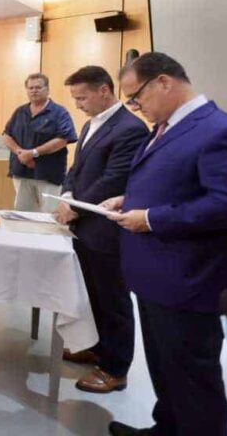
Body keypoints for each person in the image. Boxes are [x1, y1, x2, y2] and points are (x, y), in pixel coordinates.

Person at [102, 53, 227, 436]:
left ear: (163, 81)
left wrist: (150, 218)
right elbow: (173, 184)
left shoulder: (218, 130)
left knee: (194, 381)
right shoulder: (165, 127)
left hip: (188, 280)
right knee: (166, 370)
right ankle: (166, 428)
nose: (135, 107)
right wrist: (128, 201)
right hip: (156, 277)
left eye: (136, 97)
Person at [50, 66, 149, 394]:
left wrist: (74, 207)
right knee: (91, 293)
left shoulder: (130, 128)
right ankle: (96, 348)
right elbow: (76, 169)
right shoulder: (90, 124)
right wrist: (66, 195)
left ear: (104, 90)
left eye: (82, 98)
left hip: (106, 229)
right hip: (84, 225)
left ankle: (115, 368)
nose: (77, 104)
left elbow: (114, 179)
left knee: (112, 298)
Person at [2, 73, 77, 212]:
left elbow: (63, 139)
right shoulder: (20, 111)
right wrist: (20, 152)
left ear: (47, 89)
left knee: (50, 214)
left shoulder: (59, 112)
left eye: (38, 87)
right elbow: (7, 135)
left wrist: (34, 153)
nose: (34, 91)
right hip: (21, 173)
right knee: (22, 214)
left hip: (48, 175)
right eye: (30, 88)